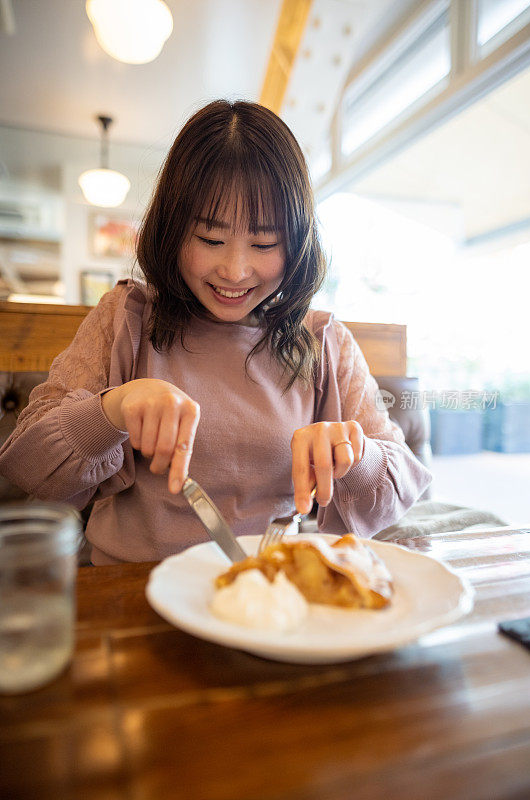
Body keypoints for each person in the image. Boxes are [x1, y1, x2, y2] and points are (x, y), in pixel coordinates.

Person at [0, 100, 432, 564]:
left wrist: (355, 456)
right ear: (172, 228)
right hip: (131, 592)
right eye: (210, 240)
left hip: (268, 595)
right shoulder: (126, 317)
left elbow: (398, 491)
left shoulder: (324, 342)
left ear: (297, 241)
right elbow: (28, 467)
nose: (235, 270)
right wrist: (112, 410)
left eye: (264, 243)